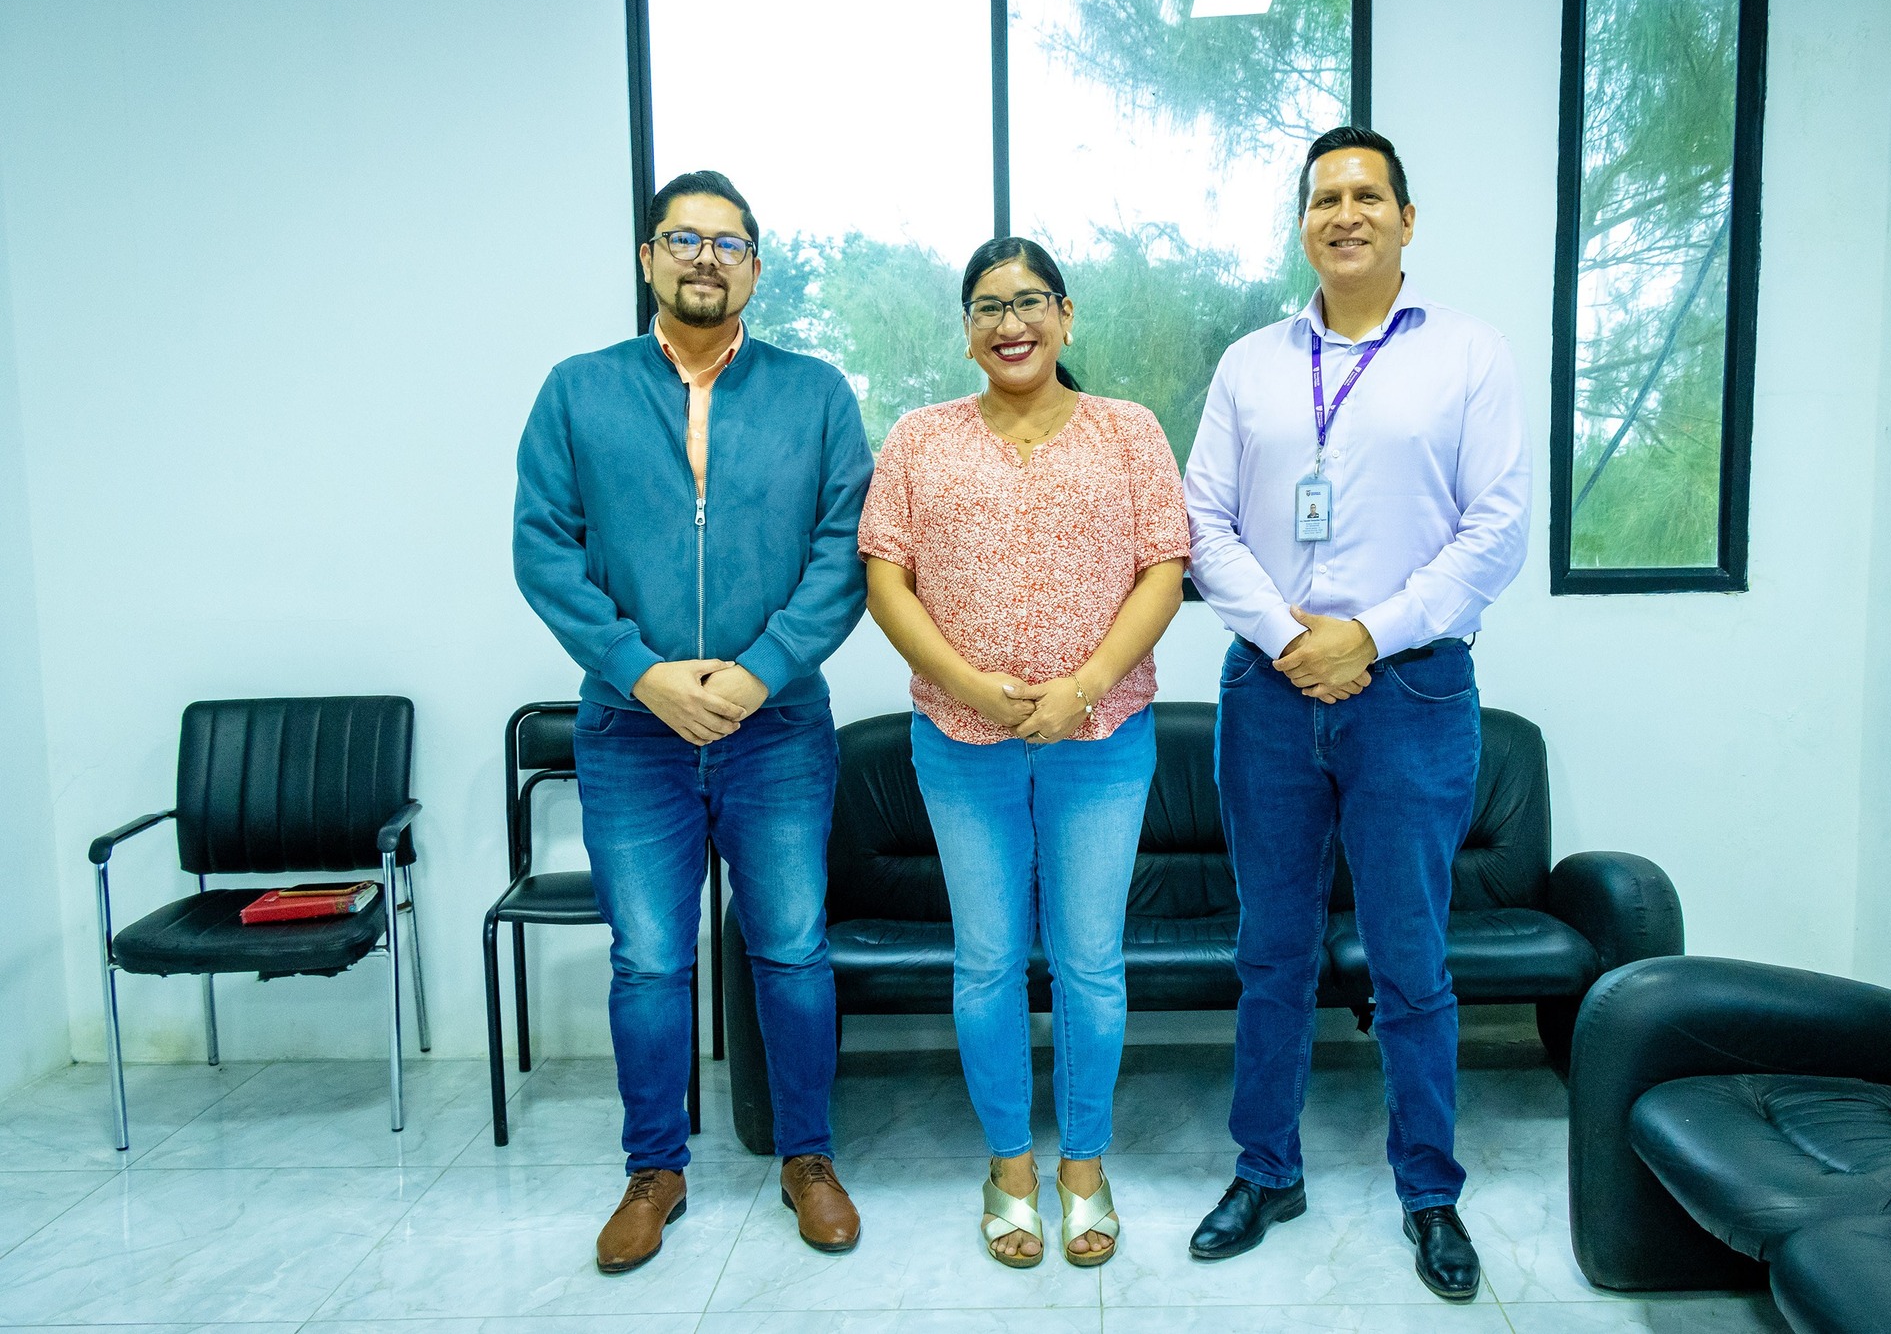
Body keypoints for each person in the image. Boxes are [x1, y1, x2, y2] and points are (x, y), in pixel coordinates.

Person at [1181, 127, 1531, 1301]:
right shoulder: (1249, 365)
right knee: (1270, 951)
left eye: (1366, 195)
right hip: (1268, 692)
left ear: (1404, 219)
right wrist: (1290, 639)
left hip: (1411, 689)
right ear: (1301, 226)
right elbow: (1201, 523)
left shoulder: (1468, 355)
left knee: (1409, 958)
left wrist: (1365, 635)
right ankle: (1264, 1169)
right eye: (1323, 197)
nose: (1344, 213)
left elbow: (1495, 532)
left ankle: (1428, 1191)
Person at [513, 170, 873, 1273]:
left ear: (754, 267)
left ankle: (807, 1159)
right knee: (649, 961)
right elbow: (544, 551)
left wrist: (762, 672)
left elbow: (844, 552)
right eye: (684, 238)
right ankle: (653, 1172)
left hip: (778, 727)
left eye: (729, 242)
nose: (705, 258)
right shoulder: (578, 390)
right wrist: (643, 673)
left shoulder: (816, 394)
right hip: (632, 732)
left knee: (793, 950)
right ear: (648, 257)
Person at [859, 237, 1187, 1269]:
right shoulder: (919, 439)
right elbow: (885, 579)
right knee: (988, 961)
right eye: (988, 307)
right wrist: (965, 682)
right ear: (967, 332)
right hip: (962, 741)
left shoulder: (1129, 432)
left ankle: (1083, 1168)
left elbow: (1164, 570)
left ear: (1066, 315)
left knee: (1090, 961)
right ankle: (1009, 1166)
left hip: (1103, 735)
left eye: (1031, 301)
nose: (1012, 323)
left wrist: (1083, 684)